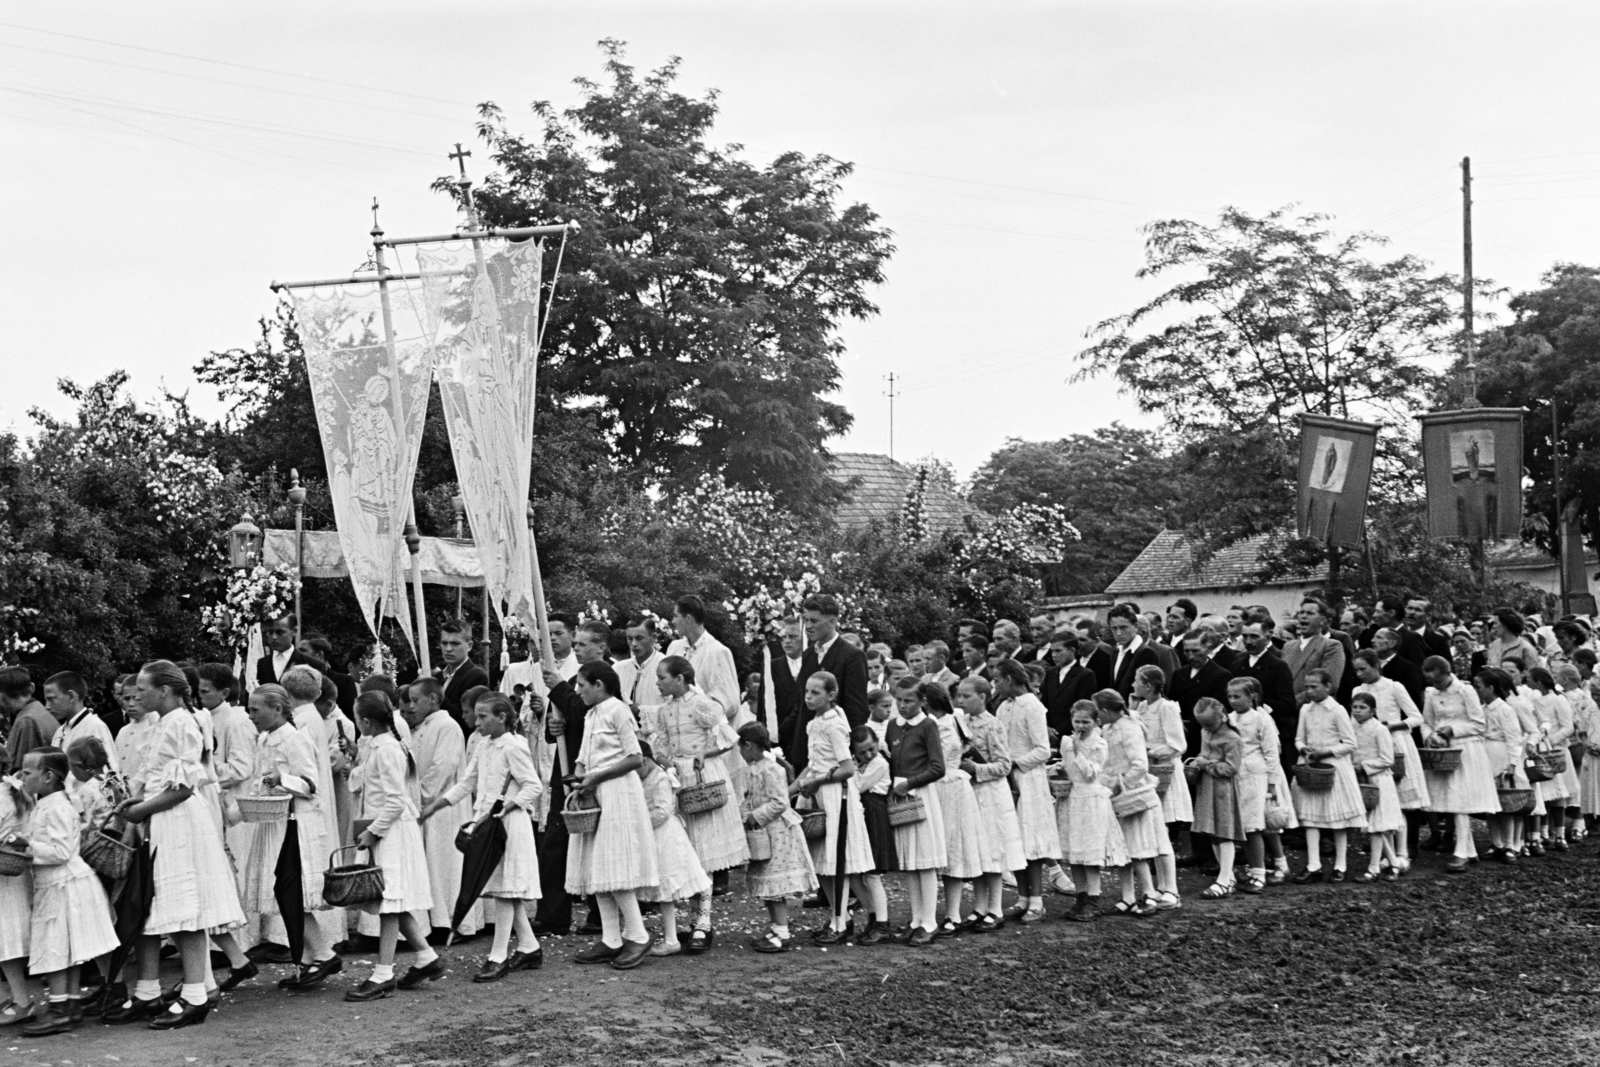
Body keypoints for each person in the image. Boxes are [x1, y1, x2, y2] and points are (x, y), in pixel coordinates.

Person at [107, 660, 245, 1030]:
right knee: (152, 906)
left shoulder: (183, 723)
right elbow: (154, 777)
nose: (136, 695)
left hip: (179, 824)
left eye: (143, 689)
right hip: (160, 820)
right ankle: (149, 991)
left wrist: (142, 812)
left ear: (165, 691)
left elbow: (182, 789)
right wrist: (132, 803)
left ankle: (196, 995)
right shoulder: (162, 723)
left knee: (185, 908)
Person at [425, 693, 543, 980]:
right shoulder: (483, 745)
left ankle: (498, 955)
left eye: (482, 716)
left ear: (501, 717)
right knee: (505, 887)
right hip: (487, 823)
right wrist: (433, 807)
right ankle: (529, 947)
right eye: (476, 716)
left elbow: (533, 785)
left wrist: (509, 806)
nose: (476, 722)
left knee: (505, 890)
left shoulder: (513, 746)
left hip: (509, 825)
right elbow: (468, 782)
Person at [11, 748, 119, 1036]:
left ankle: (60, 1010)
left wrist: (27, 846)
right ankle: (69, 1006)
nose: (22, 777)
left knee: (56, 948)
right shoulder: (47, 803)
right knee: (66, 950)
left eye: (27, 772)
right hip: (57, 884)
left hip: (64, 885)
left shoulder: (56, 806)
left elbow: (61, 851)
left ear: (48, 776)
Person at [237, 684, 337, 993]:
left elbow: (311, 785)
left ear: (277, 709)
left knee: (291, 890)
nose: (250, 715)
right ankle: (308, 957)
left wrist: (285, 780)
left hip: (295, 824)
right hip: (274, 822)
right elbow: (260, 782)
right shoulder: (265, 739)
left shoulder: (295, 739)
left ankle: (323, 954)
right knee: (283, 892)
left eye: (256, 709)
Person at [344, 691, 440, 1000]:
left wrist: (373, 831)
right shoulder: (379, 746)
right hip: (387, 831)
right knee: (393, 900)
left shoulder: (387, 750)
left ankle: (383, 974)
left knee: (389, 903)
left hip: (393, 833)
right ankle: (426, 956)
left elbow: (396, 800)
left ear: (368, 722)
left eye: (358, 721)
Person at [564, 662, 658, 970]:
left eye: (581, 685)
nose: (577, 691)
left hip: (617, 793)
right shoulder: (592, 714)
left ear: (600, 685)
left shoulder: (618, 710)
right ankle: (611, 938)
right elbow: (582, 759)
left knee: (614, 863)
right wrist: (579, 780)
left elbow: (635, 758)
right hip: (596, 792)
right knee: (597, 868)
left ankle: (639, 934)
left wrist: (596, 778)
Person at [650, 656, 748, 949]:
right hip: (678, 780)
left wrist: (706, 754)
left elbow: (729, 738)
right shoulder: (665, 710)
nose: (658, 683)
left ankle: (703, 923)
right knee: (686, 850)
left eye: (662, 677)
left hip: (702, 777)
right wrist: (665, 760)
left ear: (680, 679)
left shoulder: (701, 703)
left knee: (703, 850)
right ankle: (691, 923)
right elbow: (662, 743)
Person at [789, 671, 874, 944]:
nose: (809, 697)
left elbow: (847, 768)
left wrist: (817, 782)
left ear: (831, 695)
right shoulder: (815, 722)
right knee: (822, 863)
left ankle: (841, 922)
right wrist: (787, 792)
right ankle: (841, 919)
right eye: (807, 692)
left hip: (835, 797)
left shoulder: (835, 724)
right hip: (816, 795)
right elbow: (813, 764)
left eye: (815, 693)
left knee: (837, 863)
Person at [404, 677, 476, 941]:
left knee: (447, 864)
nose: (410, 706)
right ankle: (437, 920)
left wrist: (421, 796)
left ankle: (456, 923)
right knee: (433, 864)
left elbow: (444, 766)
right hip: (428, 808)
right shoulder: (422, 726)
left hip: (444, 808)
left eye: (415, 700)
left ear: (433, 699)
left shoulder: (447, 726)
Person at [738, 723, 818, 953]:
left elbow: (780, 801)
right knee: (767, 883)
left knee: (775, 885)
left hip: (778, 834)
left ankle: (782, 931)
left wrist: (755, 816)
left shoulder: (772, 769)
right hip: (763, 833)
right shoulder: (754, 768)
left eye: (742, 749)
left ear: (749, 746)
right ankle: (775, 926)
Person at [954, 675, 1024, 930]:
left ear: (982, 697)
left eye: (966, 696)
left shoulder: (993, 725)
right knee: (976, 850)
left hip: (991, 794)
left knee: (992, 850)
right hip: (972, 792)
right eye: (959, 696)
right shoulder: (961, 723)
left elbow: (1004, 765)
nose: (961, 701)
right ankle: (979, 906)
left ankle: (995, 908)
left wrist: (977, 767)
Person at [993, 660, 1059, 922]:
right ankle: (1022, 898)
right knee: (1014, 841)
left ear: (1010, 679)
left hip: (1029, 780)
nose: (995, 684)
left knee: (1031, 843)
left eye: (998, 679)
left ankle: (1037, 901)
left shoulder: (1032, 706)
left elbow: (1043, 750)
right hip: (1007, 779)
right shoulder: (1002, 707)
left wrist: (1015, 764)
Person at [1419, 656, 1499, 873]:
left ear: (1447, 673)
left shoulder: (1465, 691)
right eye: (1431, 681)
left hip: (1466, 749)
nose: (1435, 685)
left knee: (1461, 800)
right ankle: (1470, 851)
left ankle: (1461, 852)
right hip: (1443, 752)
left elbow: (1479, 724)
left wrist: (1452, 730)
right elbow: (1426, 722)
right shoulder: (1431, 693)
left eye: (1438, 680)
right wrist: (1430, 737)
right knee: (1453, 800)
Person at [633, 740, 711, 958]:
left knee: (666, 888)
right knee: (661, 889)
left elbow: (662, 811)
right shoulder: (641, 777)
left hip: (665, 837)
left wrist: (638, 824)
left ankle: (671, 939)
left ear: (646, 760)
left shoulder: (660, 778)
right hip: (652, 837)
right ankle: (661, 935)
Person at [1351, 649, 1428, 868]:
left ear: (1377, 666)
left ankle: (1403, 852)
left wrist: (1391, 726)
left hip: (1395, 744)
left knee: (1401, 802)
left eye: (1363, 669)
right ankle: (1389, 853)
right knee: (1381, 800)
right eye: (1356, 670)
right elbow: (1355, 721)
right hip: (1370, 748)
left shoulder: (1394, 686)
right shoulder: (1358, 690)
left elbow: (1416, 717)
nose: (1359, 674)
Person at [1289, 669, 1366, 883]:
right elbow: (1299, 738)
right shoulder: (1306, 709)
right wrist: (1304, 749)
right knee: (1311, 817)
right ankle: (1314, 865)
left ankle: (1340, 865)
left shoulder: (1338, 710)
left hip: (1333, 767)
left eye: (1314, 687)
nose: (1310, 691)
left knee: (1337, 819)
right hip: (1310, 767)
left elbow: (1350, 743)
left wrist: (1326, 752)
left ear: (1328, 687)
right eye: (1307, 687)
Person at [1056, 700, 1128, 922]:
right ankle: (1080, 897)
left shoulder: (1099, 744)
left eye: (1085, 721)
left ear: (1096, 721)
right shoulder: (1066, 741)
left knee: (1090, 854)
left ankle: (1093, 900)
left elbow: (1091, 774)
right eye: (1076, 721)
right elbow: (1069, 769)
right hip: (1072, 798)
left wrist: (1078, 752)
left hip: (1091, 800)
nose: (1080, 725)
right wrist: (1059, 770)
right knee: (1075, 855)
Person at [1093, 688, 1164, 915]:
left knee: (1137, 848)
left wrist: (1119, 784)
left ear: (1104, 710)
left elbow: (1140, 764)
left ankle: (1150, 894)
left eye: (1098, 712)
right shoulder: (1107, 728)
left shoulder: (1129, 728)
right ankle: (1128, 896)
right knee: (1120, 848)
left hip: (1131, 795)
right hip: (1112, 796)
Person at [923, 682, 984, 940]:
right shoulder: (939, 722)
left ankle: (953, 913)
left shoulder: (947, 722)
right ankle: (937, 912)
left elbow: (944, 755)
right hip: (937, 787)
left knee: (952, 848)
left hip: (949, 788)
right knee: (940, 850)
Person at [1226, 677, 1292, 891]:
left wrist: (1272, 784)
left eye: (1238, 696)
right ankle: (1256, 868)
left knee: (1257, 825)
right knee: (1246, 825)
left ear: (1251, 697)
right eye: (1230, 696)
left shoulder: (1261, 719)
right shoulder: (1229, 719)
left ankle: (1261, 873)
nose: (1233, 701)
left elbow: (1272, 752)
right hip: (1238, 776)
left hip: (1258, 776)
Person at [1133, 664, 1191, 887]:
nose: (1133, 684)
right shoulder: (1142, 708)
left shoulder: (1166, 707)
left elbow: (1178, 744)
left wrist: (1150, 753)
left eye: (1137, 680)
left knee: (1162, 828)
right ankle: (1160, 884)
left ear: (1148, 686)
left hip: (1164, 771)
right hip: (1148, 771)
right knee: (1154, 827)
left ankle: (1169, 886)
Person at [1189, 698, 1245, 899]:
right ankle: (1228, 877)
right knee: (1212, 832)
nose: (1205, 728)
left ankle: (1223, 879)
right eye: (1202, 724)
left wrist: (1206, 765)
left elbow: (1231, 768)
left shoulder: (1232, 738)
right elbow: (1204, 754)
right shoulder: (1206, 732)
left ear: (1222, 716)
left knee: (1224, 833)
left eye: (1209, 724)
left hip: (1223, 790)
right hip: (1207, 786)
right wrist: (1198, 763)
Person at [1473, 668, 1527, 864]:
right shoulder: (1483, 709)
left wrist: (1512, 764)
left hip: (1501, 756)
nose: (1476, 690)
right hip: (1486, 757)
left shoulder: (1505, 709)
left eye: (1478, 687)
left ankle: (1511, 845)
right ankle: (1496, 843)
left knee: (1507, 803)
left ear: (1490, 688)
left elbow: (1514, 739)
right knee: (1491, 804)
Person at [847, 727, 895, 942]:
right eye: (862, 753)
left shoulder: (880, 763)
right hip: (863, 814)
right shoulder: (863, 764)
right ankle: (873, 918)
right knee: (858, 874)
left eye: (871, 749)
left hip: (875, 813)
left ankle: (883, 925)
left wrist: (854, 770)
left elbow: (858, 786)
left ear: (877, 743)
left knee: (873, 874)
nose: (868, 755)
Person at [1349, 693, 1403, 881]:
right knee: (1375, 826)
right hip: (1362, 781)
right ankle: (1394, 864)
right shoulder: (1351, 728)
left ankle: (1373, 869)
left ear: (1372, 711)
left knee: (1377, 827)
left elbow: (1387, 759)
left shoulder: (1380, 729)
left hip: (1379, 781)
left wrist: (1364, 765)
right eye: (1354, 707)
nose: (1357, 711)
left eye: (1362, 707)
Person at [797, 595, 871, 729]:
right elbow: (801, 705)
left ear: (832, 622)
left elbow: (856, 711)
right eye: (806, 620)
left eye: (814, 621)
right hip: (806, 741)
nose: (808, 626)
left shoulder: (853, 656)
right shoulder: (808, 654)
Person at [0, 770, 32, 1026]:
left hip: (5, 877)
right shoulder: (12, 791)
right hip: (15, 874)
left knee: (6, 942)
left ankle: (22, 1002)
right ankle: (9, 997)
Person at [44, 673, 118, 777]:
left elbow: (107, 775)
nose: (47, 706)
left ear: (71, 696)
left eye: (51, 699)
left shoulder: (95, 727)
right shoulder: (60, 731)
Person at [1284, 599, 1346, 708]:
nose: (1303, 616)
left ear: (1322, 620)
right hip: (1285, 714)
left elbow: (1329, 685)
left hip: (1314, 711)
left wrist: (1291, 703)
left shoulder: (1331, 646)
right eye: (1301, 612)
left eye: (1310, 613)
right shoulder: (1288, 647)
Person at [1040, 631, 1097, 738]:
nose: (1054, 655)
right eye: (1052, 651)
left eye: (1058, 651)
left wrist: (1058, 732)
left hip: (1072, 733)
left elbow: (1082, 708)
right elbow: (1044, 703)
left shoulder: (1085, 675)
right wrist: (1046, 728)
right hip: (1048, 732)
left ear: (1072, 651)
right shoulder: (1050, 673)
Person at [1, 669, 55, 775]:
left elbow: (19, 774)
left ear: (1, 696)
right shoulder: (38, 711)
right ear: (32, 688)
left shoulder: (26, 721)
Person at [439, 618, 491, 728]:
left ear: (469, 646)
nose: (448, 649)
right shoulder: (438, 677)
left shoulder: (476, 676)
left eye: (455, 644)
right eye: (444, 643)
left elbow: (469, 721)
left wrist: (437, 694)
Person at [615, 616, 666, 722]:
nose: (633, 644)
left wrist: (641, 711)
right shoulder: (618, 669)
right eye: (630, 638)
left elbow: (679, 708)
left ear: (654, 638)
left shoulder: (668, 667)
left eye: (639, 638)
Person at [255, 615, 312, 686]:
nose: (274, 637)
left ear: (294, 631)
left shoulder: (312, 665)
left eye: (280, 632)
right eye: (270, 632)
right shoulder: (259, 664)